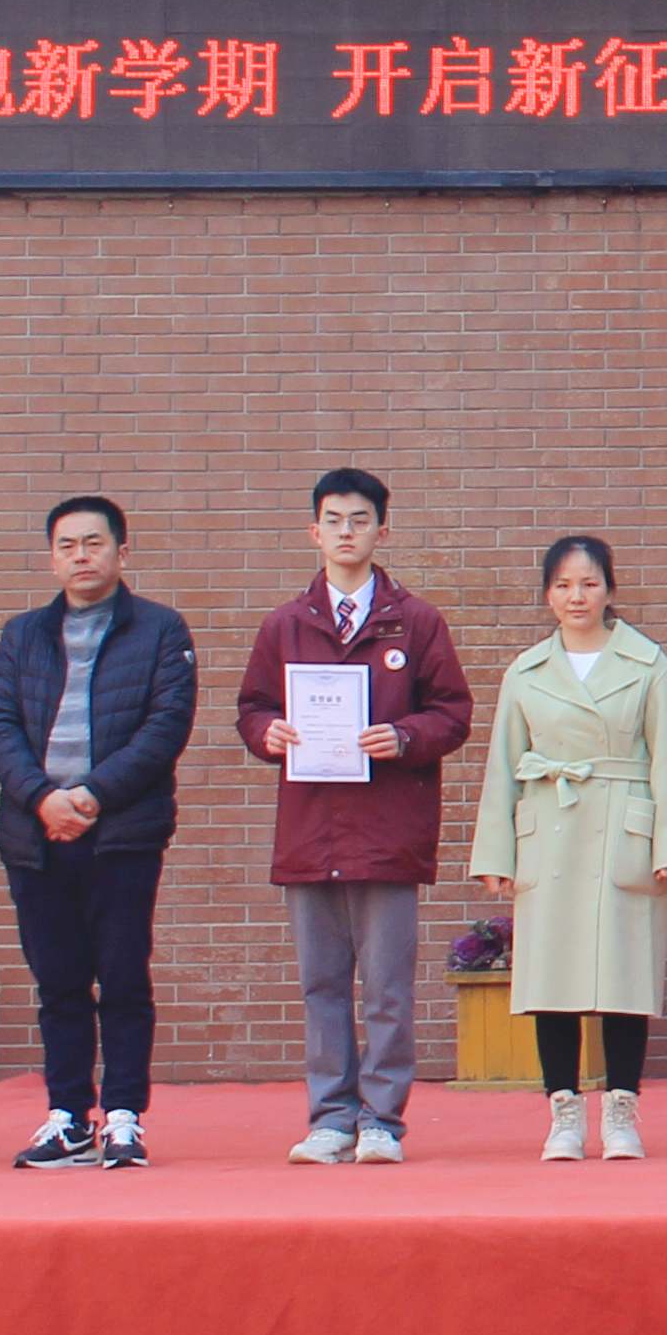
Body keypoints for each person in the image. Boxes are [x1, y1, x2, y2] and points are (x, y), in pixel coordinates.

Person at [241, 468, 476, 1167]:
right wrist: (267, 734)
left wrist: (404, 737)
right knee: (321, 985)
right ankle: (330, 1117)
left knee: (386, 988)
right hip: (310, 830)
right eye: (334, 521)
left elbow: (453, 713)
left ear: (382, 530)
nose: (346, 532)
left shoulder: (418, 622)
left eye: (360, 520)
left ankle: (382, 1120)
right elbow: (252, 708)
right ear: (313, 532)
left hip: (387, 830)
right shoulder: (285, 624)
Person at [0, 496, 201, 1172]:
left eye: (93, 543)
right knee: (59, 982)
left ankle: (125, 1116)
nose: (81, 556)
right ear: (52, 558)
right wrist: (42, 797)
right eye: (67, 545)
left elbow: (166, 725)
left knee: (123, 976)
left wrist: (92, 794)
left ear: (121, 552)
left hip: (122, 834)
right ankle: (69, 1117)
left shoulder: (160, 630)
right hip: (36, 836)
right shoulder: (22, 635)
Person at [472, 533, 667, 1160]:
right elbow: (502, 765)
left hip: (622, 825)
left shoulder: (648, 664)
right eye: (564, 585)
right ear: (548, 594)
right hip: (550, 824)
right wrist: (495, 854)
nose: (577, 596)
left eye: (589, 583)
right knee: (552, 976)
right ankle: (563, 1113)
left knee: (625, 975)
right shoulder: (526, 671)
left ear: (610, 590)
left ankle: (622, 1111)